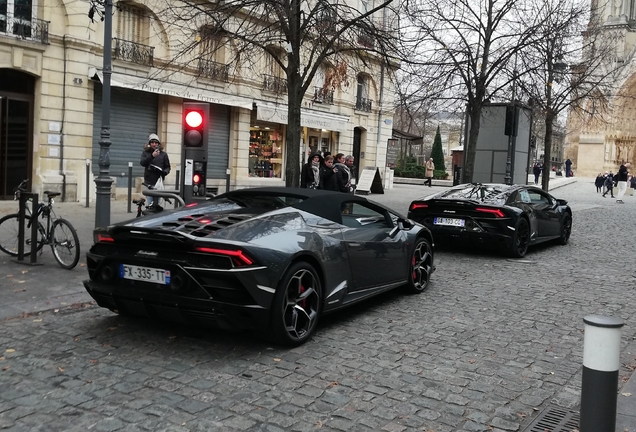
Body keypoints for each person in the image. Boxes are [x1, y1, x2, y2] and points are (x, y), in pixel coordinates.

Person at [140, 133, 171, 207]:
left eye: (156, 142)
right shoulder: (146, 153)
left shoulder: (163, 154)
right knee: (150, 204)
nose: (154, 144)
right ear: (149, 144)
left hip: (158, 183)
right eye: (152, 142)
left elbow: (168, 167)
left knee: (157, 204)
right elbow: (142, 163)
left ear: (159, 144)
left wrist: (164, 172)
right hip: (149, 183)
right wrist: (152, 156)